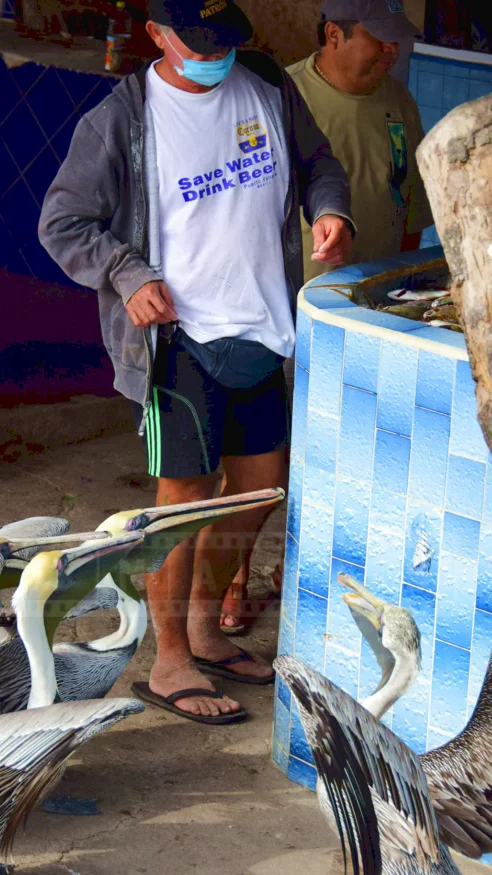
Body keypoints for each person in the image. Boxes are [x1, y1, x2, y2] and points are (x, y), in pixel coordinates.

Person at [39, 0, 353, 724]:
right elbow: (63, 221)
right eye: (199, 43)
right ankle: (170, 657)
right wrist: (127, 273)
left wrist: (328, 209)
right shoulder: (120, 120)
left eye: (226, 42)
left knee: (255, 495)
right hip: (179, 342)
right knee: (181, 504)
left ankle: (207, 627)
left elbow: (316, 163)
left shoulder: (267, 84)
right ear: (156, 35)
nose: (219, 56)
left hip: (265, 329)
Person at [221, 0, 434, 635]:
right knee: (264, 460)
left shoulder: (400, 102)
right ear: (334, 34)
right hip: (291, 313)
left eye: (398, 40)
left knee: (355, 458)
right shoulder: (280, 95)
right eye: (380, 38)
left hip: (373, 318)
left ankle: (317, 575)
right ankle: (233, 582)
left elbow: (410, 206)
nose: (391, 51)